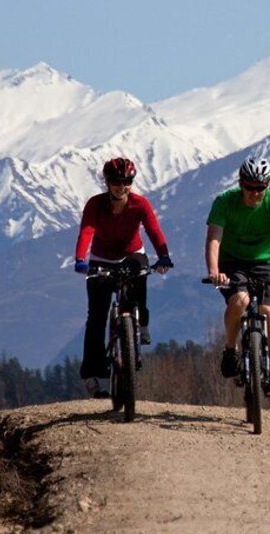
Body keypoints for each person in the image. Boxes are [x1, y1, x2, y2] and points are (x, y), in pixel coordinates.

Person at [74, 157, 173, 398]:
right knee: (96, 318)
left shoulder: (140, 204)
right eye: (117, 182)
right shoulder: (96, 205)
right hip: (101, 259)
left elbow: (153, 231)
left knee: (138, 287)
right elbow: (87, 231)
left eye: (127, 181)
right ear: (107, 183)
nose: (122, 186)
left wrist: (164, 256)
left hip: (132, 255)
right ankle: (93, 374)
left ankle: (141, 324)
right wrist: (80, 259)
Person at [205, 156, 270, 398]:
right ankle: (230, 349)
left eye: (261, 188)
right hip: (232, 262)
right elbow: (214, 238)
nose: (255, 193)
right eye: (250, 187)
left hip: (265, 262)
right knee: (240, 301)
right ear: (240, 184)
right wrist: (214, 271)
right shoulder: (224, 202)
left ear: (268, 185)